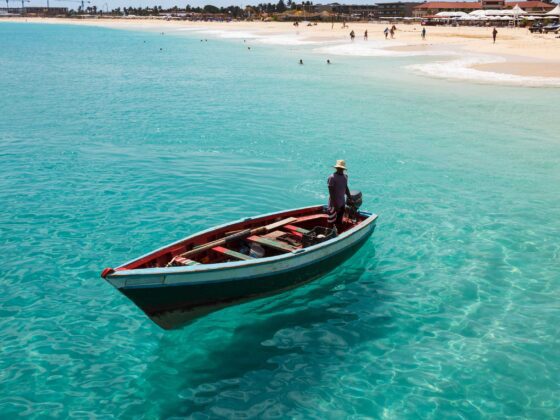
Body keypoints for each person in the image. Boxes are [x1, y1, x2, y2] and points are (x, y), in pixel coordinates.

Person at [328, 160, 352, 233]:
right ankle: (329, 234)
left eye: (341, 169)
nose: (340, 170)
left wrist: (350, 197)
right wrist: (335, 206)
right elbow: (331, 193)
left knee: (339, 220)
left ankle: (338, 234)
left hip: (342, 203)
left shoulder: (345, 177)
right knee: (331, 222)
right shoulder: (332, 178)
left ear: (343, 169)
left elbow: (346, 188)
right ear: (336, 168)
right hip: (333, 205)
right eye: (339, 168)